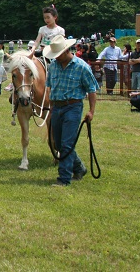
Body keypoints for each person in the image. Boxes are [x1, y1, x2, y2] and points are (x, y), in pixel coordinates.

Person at [42, 34, 98, 186]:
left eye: (58, 54)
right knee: (58, 144)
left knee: (67, 144)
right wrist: (50, 106)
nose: (56, 57)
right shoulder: (53, 66)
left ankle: (64, 179)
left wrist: (91, 111)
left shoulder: (82, 67)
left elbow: (92, 90)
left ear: (66, 50)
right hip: (57, 108)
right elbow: (49, 87)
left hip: (73, 107)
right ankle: (79, 167)